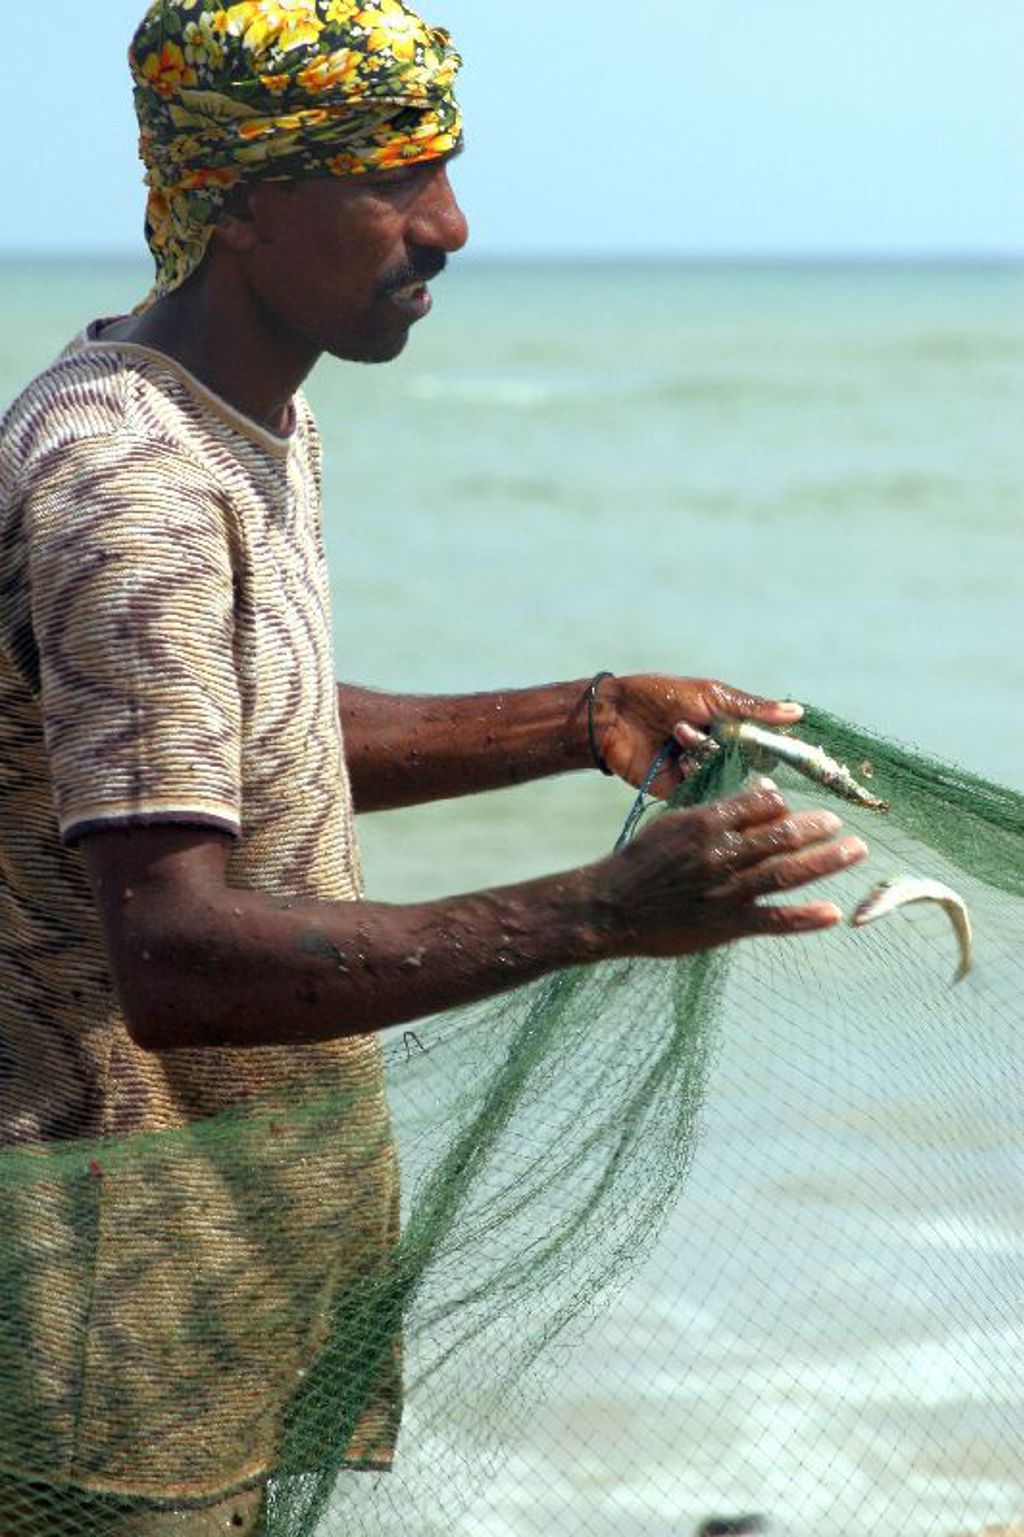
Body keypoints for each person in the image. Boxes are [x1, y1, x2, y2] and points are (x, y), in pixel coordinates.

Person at [0, 1, 867, 1530]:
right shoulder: (127, 481)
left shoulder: (241, 417)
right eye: (394, 180)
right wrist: (601, 912)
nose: (450, 225)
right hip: (96, 1306)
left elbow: (223, 728)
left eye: (443, 170)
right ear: (248, 203)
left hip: (218, 1264)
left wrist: (573, 715)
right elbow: (174, 955)